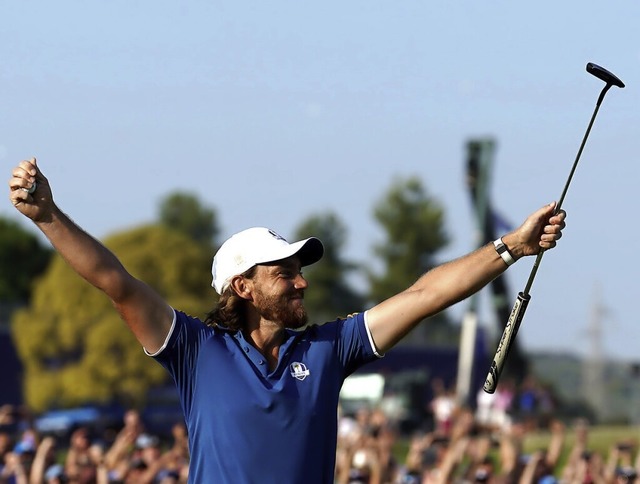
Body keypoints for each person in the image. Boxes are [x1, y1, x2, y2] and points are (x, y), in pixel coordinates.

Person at [8, 157, 567, 483]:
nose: (301, 281)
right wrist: (49, 217)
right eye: (284, 272)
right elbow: (115, 281)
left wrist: (511, 248)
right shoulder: (194, 349)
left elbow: (424, 294)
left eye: (301, 270)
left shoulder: (331, 346)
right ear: (243, 287)